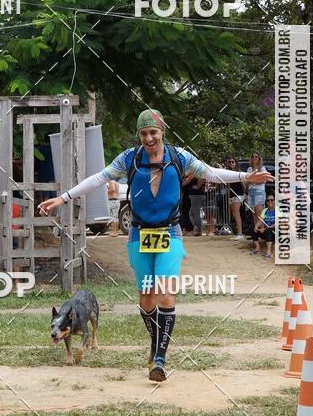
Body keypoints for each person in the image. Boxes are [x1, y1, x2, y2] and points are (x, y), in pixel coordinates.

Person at [38, 109, 273, 382]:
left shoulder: (179, 156)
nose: (149, 138)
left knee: (165, 292)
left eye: (154, 132)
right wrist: (63, 199)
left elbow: (210, 172)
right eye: (144, 133)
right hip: (139, 234)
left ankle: (159, 359)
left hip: (170, 233)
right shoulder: (129, 158)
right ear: (139, 135)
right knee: (147, 298)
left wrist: (245, 178)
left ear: (162, 132)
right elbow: (99, 179)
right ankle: (156, 341)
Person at [246, 151, 267, 240]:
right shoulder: (249, 169)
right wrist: (253, 181)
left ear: (259, 159)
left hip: (259, 192)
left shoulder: (262, 168)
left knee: (260, 214)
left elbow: (264, 180)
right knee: (254, 213)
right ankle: (256, 235)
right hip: (251, 192)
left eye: (256, 156)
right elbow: (246, 181)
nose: (254, 158)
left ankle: (263, 234)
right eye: (253, 156)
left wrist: (253, 181)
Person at [225, 157, 245, 239]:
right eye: (230, 162)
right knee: (234, 214)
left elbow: (243, 185)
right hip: (231, 195)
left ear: (236, 163)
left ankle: (240, 233)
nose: (231, 163)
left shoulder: (239, 172)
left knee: (237, 214)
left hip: (238, 195)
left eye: (233, 162)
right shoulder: (228, 172)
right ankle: (238, 232)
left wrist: (245, 194)